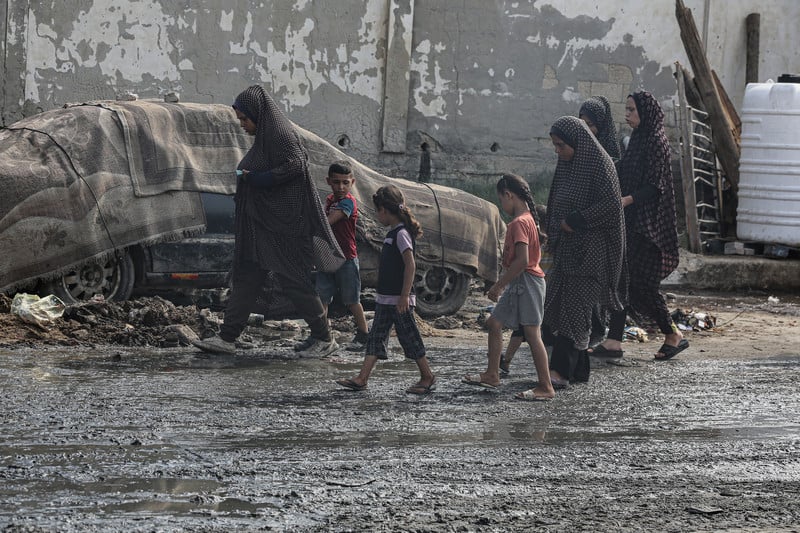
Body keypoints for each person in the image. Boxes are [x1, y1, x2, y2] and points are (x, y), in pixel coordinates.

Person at [193, 85, 344, 357]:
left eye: (244, 119)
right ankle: (227, 338)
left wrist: (256, 178)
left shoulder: (282, 137)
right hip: (263, 228)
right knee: (248, 278)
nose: (242, 125)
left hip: (284, 228)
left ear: (259, 115)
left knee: (294, 281)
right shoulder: (265, 141)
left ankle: (324, 338)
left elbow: (296, 165)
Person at [590, 91, 687, 361]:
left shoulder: (656, 141)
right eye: (627, 109)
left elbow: (655, 186)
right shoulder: (636, 140)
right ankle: (613, 341)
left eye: (632, 110)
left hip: (649, 226)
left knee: (642, 284)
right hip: (631, 222)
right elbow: (625, 172)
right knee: (623, 281)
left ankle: (673, 334)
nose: (627, 114)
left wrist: (626, 200)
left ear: (645, 113)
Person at [543, 116, 626, 387]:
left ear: (577, 144)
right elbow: (556, 201)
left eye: (561, 146)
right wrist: (555, 228)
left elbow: (612, 207)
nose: (558, 151)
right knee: (563, 306)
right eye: (555, 145)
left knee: (574, 310)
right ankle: (579, 371)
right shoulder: (566, 167)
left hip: (591, 253)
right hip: (568, 251)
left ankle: (560, 372)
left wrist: (576, 221)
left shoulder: (600, 165)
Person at [335, 185, 436, 395]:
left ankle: (427, 375)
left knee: (409, 337)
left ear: (384, 210)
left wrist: (405, 295)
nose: (377, 215)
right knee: (376, 337)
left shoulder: (401, 234)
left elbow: (410, 265)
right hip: (386, 299)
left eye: (377, 211)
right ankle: (362, 378)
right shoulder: (394, 232)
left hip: (399, 299)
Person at [463, 174, 554, 401]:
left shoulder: (519, 223)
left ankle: (546, 387)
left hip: (528, 282)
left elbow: (522, 260)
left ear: (509, 195)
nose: (502, 206)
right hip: (522, 282)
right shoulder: (528, 219)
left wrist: (498, 286)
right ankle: (492, 374)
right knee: (494, 323)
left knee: (533, 334)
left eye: (501, 200)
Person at [579, 95, 622, 348]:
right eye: (582, 123)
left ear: (602, 127)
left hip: (601, 234)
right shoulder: (574, 154)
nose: (587, 130)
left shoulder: (612, 161)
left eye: (591, 124)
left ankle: (598, 331)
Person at [316, 160, 370, 351]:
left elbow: (326, 223)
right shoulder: (330, 200)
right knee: (322, 297)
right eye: (336, 182)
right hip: (328, 256)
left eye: (345, 182)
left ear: (352, 183)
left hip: (346, 258)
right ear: (328, 181)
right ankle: (321, 335)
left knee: (352, 300)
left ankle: (364, 334)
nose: (341, 186)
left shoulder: (348, 203)